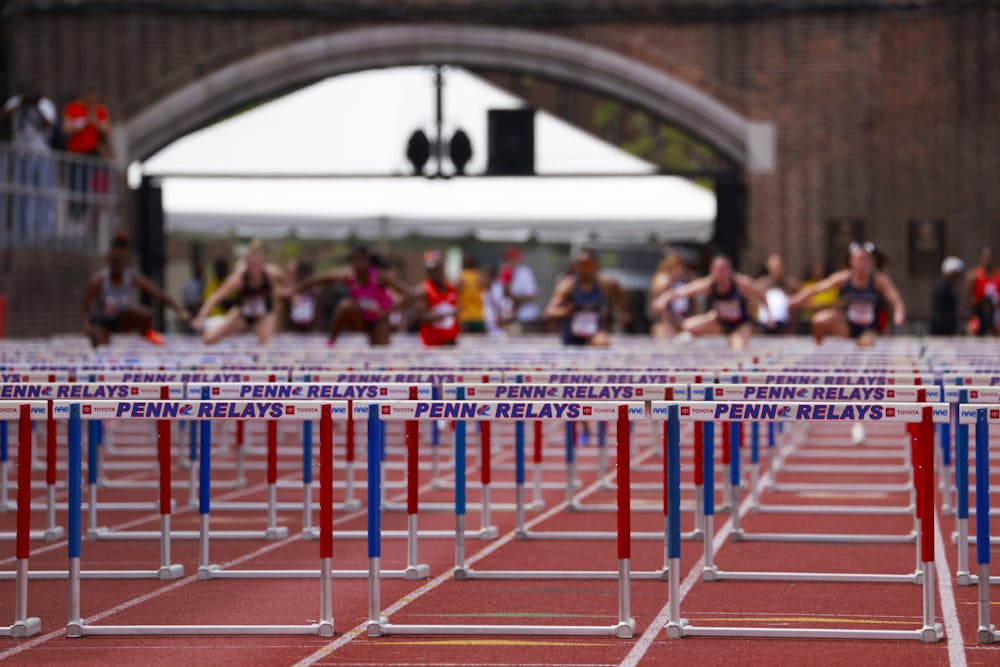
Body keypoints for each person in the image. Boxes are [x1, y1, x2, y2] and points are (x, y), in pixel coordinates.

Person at [82, 233, 189, 348]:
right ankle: (99, 338)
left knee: (145, 314)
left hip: (121, 318)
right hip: (103, 321)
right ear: (110, 259)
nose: (117, 265)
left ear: (125, 260)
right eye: (115, 261)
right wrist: (87, 327)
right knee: (99, 341)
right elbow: (85, 309)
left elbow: (159, 294)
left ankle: (147, 334)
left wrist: (179, 310)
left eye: (120, 261)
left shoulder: (132, 277)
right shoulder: (98, 280)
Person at [789, 242, 906, 347]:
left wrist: (898, 315)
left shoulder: (878, 280)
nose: (862, 263)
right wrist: (797, 299)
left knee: (866, 343)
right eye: (859, 259)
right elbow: (817, 288)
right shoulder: (844, 278)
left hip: (869, 327)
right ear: (851, 261)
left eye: (865, 260)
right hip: (847, 324)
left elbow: (895, 299)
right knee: (819, 320)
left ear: (871, 262)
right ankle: (819, 349)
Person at [290, 246, 411, 346]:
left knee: (380, 351)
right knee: (345, 306)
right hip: (360, 320)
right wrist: (296, 289)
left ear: (368, 262)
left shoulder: (379, 277)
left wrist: (390, 311)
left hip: (379, 321)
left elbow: (408, 294)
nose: (357, 265)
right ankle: (332, 342)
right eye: (354, 261)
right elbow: (321, 279)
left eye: (361, 261)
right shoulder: (349, 277)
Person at [654, 255, 769, 351]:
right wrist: (664, 298)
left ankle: (735, 350)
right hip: (719, 322)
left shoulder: (740, 283)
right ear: (713, 271)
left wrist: (769, 316)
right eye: (718, 270)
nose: (721, 274)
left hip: (740, 324)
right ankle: (686, 342)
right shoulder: (709, 284)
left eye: (724, 270)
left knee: (738, 349)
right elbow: (684, 291)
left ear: (729, 270)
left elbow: (762, 295)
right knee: (688, 326)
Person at [192, 240, 288, 346]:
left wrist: (283, 291)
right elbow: (216, 297)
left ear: (263, 264)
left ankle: (263, 353)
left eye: (257, 265)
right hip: (243, 313)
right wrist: (201, 316)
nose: (255, 269)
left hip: (265, 313)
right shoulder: (238, 279)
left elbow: (286, 281)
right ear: (247, 265)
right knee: (209, 339)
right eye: (252, 265)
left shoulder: (272, 273)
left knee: (265, 342)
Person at [3, 83, 57, 245]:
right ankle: (22, 231)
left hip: (41, 154)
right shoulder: (15, 102)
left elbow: (48, 124)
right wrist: (21, 103)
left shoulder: (45, 104)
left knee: (43, 194)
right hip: (20, 154)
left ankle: (43, 232)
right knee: (21, 193)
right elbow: (5, 116)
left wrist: (35, 106)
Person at [546, 249, 627, 346]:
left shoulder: (606, 285)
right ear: (575, 266)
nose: (584, 269)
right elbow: (550, 311)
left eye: (588, 265)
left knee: (602, 342)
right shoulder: (567, 286)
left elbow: (622, 304)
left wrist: (622, 315)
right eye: (581, 265)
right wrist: (566, 311)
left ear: (596, 266)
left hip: (595, 332)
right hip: (573, 334)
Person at [63, 89, 111, 223]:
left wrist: (96, 123)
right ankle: (74, 220)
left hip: (92, 157)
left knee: (90, 193)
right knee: (75, 189)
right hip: (75, 157)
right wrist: (84, 122)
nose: (91, 101)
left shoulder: (99, 110)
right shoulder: (73, 109)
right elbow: (67, 129)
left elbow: (107, 131)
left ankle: (85, 221)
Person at [414, 250, 460, 346]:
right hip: (433, 345)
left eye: (437, 269)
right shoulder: (422, 290)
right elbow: (422, 317)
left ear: (443, 269)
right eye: (431, 270)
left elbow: (456, 314)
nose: (435, 273)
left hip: (451, 342)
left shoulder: (451, 288)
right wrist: (448, 313)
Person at [648, 251, 690, 337]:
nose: (682, 271)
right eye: (680, 268)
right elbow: (660, 308)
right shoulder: (663, 280)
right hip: (664, 325)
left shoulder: (680, 281)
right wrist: (668, 324)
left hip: (677, 323)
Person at [756, 253, 798, 335]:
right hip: (764, 323)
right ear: (769, 268)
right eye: (774, 267)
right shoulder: (761, 284)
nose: (776, 270)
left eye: (778, 267)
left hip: (785, 323)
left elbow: (801, 296)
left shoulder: (789, 285)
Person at [503, 247, 540, 332]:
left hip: (526, 317)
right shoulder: (506, 272)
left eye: (512, 259)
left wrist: (516, 299)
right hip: (512, 318)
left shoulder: (525, 273)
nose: (510, 262)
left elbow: (533, 296)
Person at [930, 257, 965, 336]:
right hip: (941, 332)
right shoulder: (942, 288)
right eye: (956, 274)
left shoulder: (948, 287)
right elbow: (940, 313)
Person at [969, 248, 1000, 336]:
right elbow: (969, 299)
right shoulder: (974, 276)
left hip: (996, 312)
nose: (988, 260)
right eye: (985, 257)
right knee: (975, 329)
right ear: (981, 258)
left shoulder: (998, 275)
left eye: (990, 258)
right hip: (980, 311)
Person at [456, 255, 486, 334]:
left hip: (465, 317)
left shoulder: (462, 277)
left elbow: (455, 294)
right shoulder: (480, 277)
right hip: (479, 316)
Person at [287, 261, 318, 333]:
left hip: (309, 326)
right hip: (293, 326)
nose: (304, 276)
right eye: (301, 273)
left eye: (307, 274)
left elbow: (317, 311)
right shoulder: (292, 290)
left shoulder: (314, 292)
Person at [181, 261, 205, 332]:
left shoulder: (205, 282)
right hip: (192, 315)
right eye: (197, 270)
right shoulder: (189, 285)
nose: (199, 272)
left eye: (200, 270)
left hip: (204, 316)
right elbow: (188, 303)